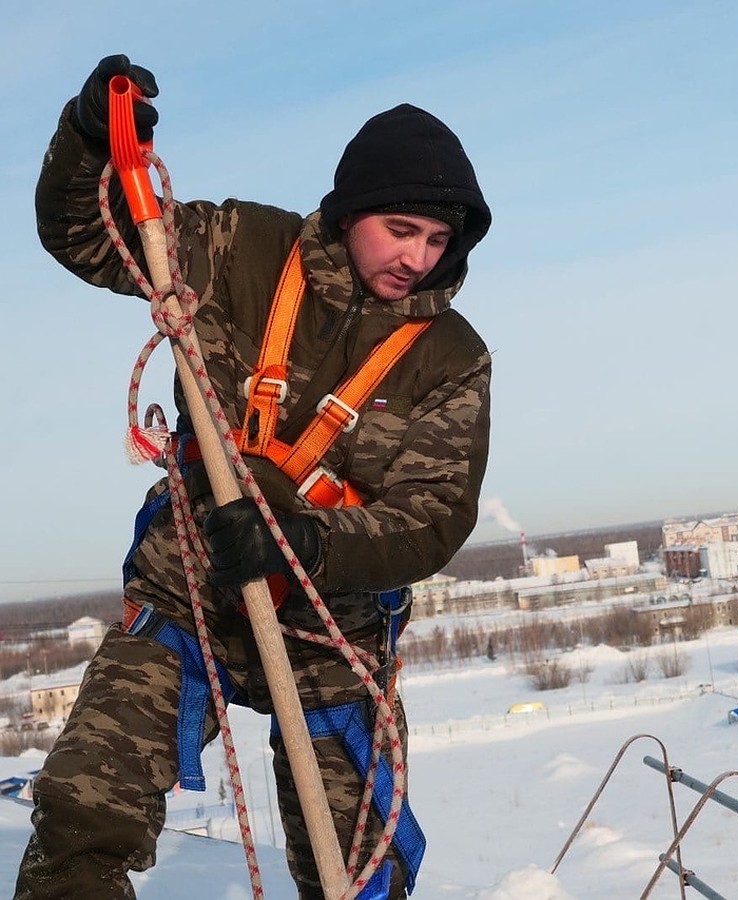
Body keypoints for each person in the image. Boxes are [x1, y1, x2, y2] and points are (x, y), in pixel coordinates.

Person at [17, 55, 492, 899]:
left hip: (329, 633)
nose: (417, 258)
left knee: (358, 866)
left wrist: (310, 542)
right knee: (84, 809)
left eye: (436, 240)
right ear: (350, 213)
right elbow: (91, 236)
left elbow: (434, 515)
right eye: (400, 229)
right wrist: (90, 142)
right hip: (189, 591)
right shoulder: (240, 247)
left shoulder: (450, 357)